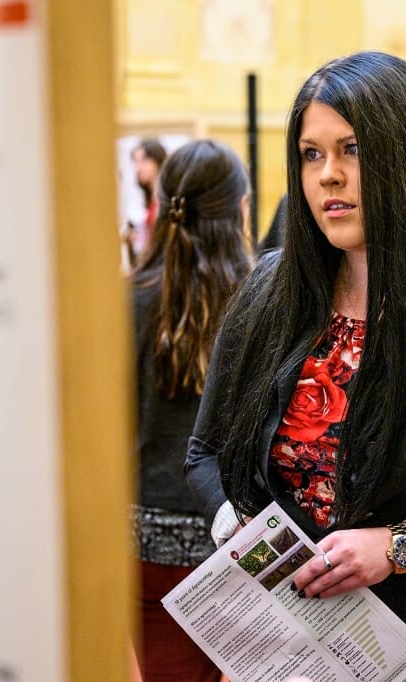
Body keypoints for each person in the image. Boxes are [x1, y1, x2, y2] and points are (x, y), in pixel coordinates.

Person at [185, 51, 406, 676]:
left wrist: (399, 547)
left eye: (352, 150)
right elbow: (205, 454)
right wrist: (241, 532)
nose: (329, 176)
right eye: (312, 154)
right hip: (280, 650)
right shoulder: (268, 293)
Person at [131, 139, 252, 681]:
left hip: (142, 544)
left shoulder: (126, 300)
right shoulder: (258, 301)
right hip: (238, 538)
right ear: (240, 211)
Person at [126, 138, 169, 262]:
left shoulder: (165, 198)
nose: (138, 168)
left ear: (157, 161)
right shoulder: (150, 198)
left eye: (144, 160)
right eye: (135, 161)